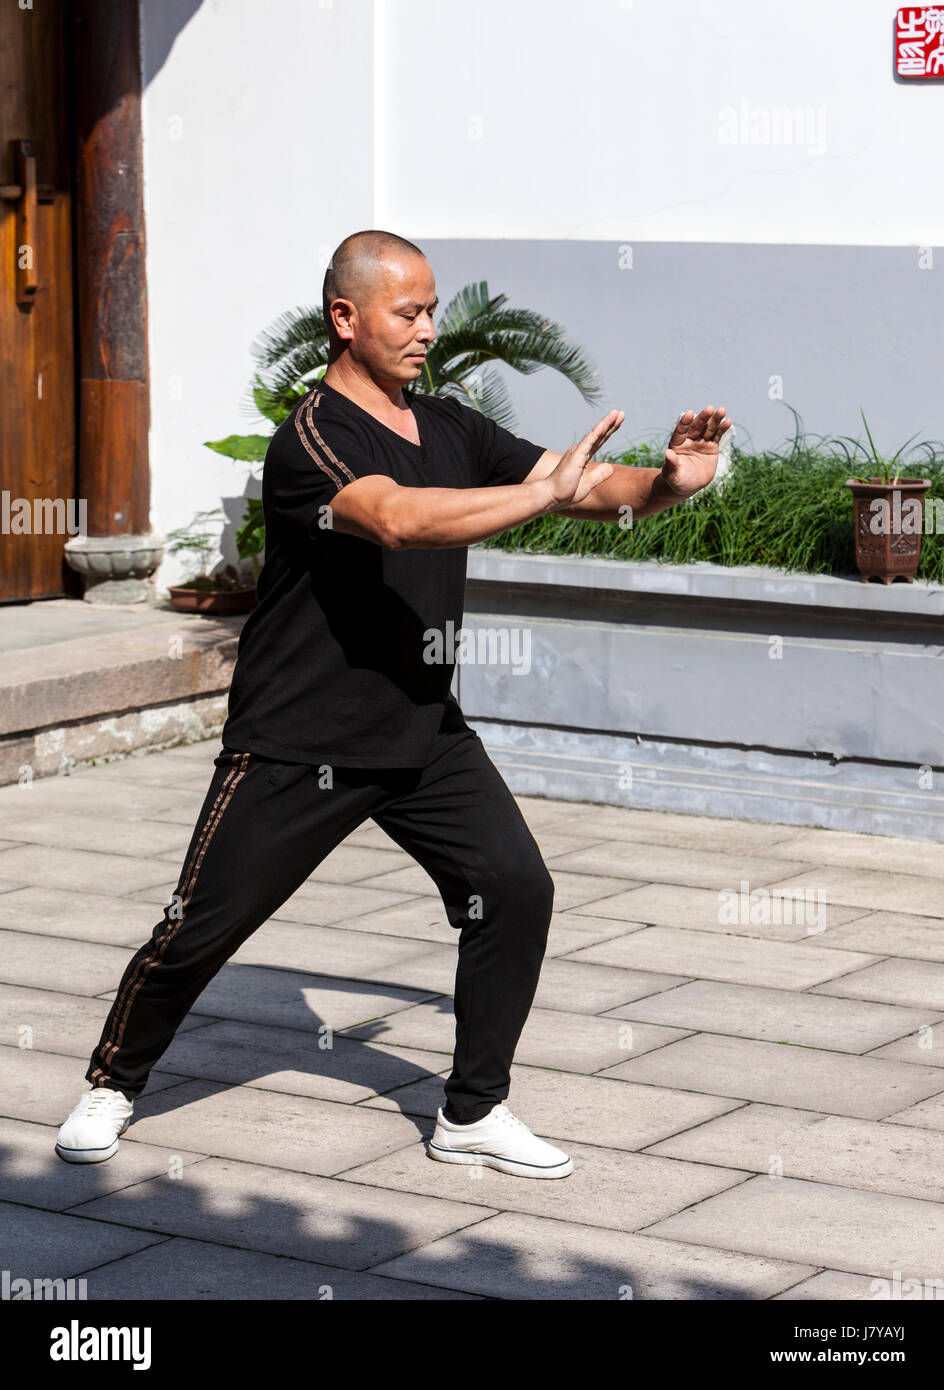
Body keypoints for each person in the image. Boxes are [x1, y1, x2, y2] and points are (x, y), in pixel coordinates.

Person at [56, 229, 731, 1179]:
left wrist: (666, 484)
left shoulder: (451, 427)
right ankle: (115, 1082)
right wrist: (539, 495)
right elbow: (400, 521)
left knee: (514, 890)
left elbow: (580, 489)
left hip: (421, 731)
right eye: (407, 313)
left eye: (431, 310)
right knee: (199, 929)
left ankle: (472, 1113)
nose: (427, 330)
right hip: (299, 739)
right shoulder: (312, 442)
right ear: (346, 318)